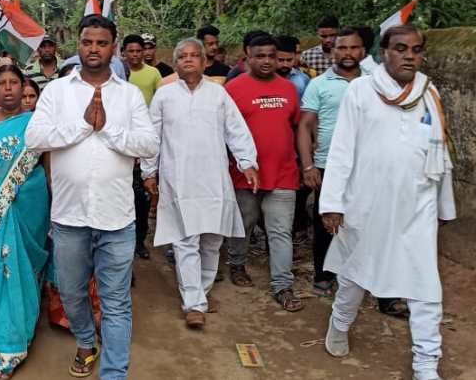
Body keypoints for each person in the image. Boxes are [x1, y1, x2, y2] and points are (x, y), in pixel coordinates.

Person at [26, 14, 158, 380]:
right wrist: (83, 124)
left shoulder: (129, 94)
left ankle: (114, 372)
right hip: (69, 219)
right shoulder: (57, 92)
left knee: (116, 303)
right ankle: (86, 342)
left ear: (112, 47)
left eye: (102, 42)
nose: (94, 49)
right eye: (88, 42)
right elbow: (35, 138)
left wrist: (109, 128)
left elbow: (149, 144)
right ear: (79, 45)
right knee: (71, 294)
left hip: (117, 219)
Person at [320, 25, 455, 380]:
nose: (409, 56)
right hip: (367, 204)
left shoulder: (430, 94)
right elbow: (341, 150)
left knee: (425, 284)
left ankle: (426, 364)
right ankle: (339, 322)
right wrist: (331, 202)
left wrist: (444, 205)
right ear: (383, 53)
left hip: (417, 206)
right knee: (354, 276)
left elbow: (440, 157)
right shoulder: (361, 92)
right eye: (400, 49)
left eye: (416, 49)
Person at [142, 38, 258, 330]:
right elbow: (152, 138)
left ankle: (201, 292)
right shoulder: (164, 96)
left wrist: (247, 161)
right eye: (183, 57)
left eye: (195, 56)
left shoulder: (218, 95)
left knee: (212, 239)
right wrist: (149, 171)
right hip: (177, 179)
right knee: (185, 240)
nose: (189, 60)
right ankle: (193, 303)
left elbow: (236, 130)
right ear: (176, 63)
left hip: (213, 178)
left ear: (205, 62)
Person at [0, 65, 50, 379]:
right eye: (1, 83)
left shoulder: (36, 124)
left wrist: (19, 193)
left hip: (25, 210)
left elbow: (44, 170)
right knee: (0, 274)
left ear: (23, 88)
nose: (7, 89)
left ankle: (15, 342)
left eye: (13, 83)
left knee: (17, 272)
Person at [224, 34, 303, 312]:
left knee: (280, 231)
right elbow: (223, 132)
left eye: (271, 55)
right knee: (243, 224)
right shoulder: (232, 89)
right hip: (245, 174)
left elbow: (297, 128)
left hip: (284, 173)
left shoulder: (290, 89)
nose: (267, 61)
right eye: (260, 56)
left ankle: (283, 285)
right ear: (247, 55)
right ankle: (237, 264)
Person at [297, 27, 366, 297]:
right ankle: (323, 275)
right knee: (326, 223)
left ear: (362, 51)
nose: (348, 53)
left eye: (353, 48)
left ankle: (367, 277)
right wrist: (308, 165)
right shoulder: (319, 85)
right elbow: (304, 126)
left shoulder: (375, 83)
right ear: (332, 51)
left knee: (367, 221)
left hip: (367, 166)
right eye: (342, 48)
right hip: (328, 164)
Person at [122, 34, 162, 259]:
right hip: (123, 142)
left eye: (139, 50)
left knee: (142, 197)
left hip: (144, 140)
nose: (136, 54)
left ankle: (140, 240)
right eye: (131, 51)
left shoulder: (153, 73)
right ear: (124, 52)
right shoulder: (118, 75)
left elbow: (159, 104)